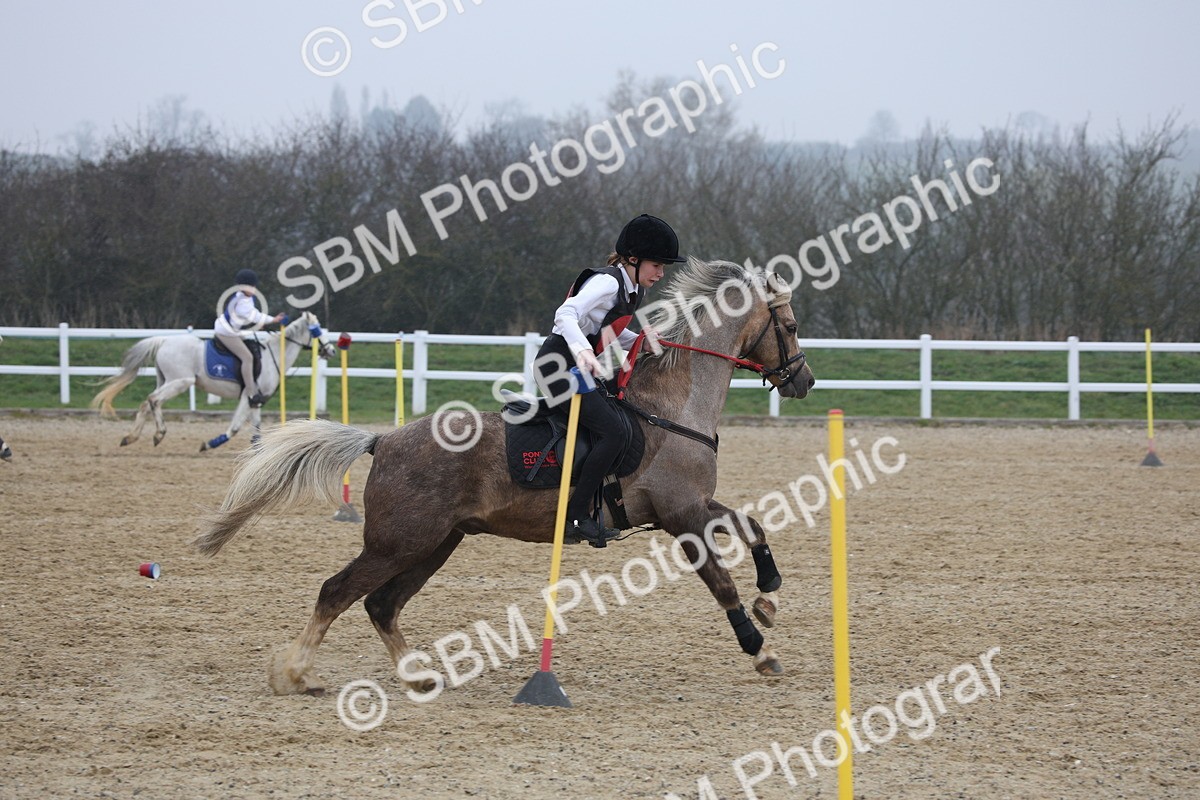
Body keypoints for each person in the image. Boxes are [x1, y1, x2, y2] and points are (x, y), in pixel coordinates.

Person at [534, 214, 686, 546]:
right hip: (556, 367)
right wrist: (582, 351)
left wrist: (639, 342)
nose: (661, 273)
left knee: (621, 420)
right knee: (614, 432)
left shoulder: (633, 289)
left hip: (577, 368)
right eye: (657, 265)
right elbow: (565, 314)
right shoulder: (608, 283)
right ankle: (576, 517)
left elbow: (607, 330)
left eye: (663, 267)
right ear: (633, 259)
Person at [214, 268, 285, 408]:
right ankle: (251, 393)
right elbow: (254, 315)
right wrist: (274, 319)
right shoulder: (241, 301)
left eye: (254, 286)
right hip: (226, 333)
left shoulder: (245, 297)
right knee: (247, 358)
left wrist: (259, 323)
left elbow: (249, 315)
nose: (254, 289)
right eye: (251, 286)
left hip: (232, 330)